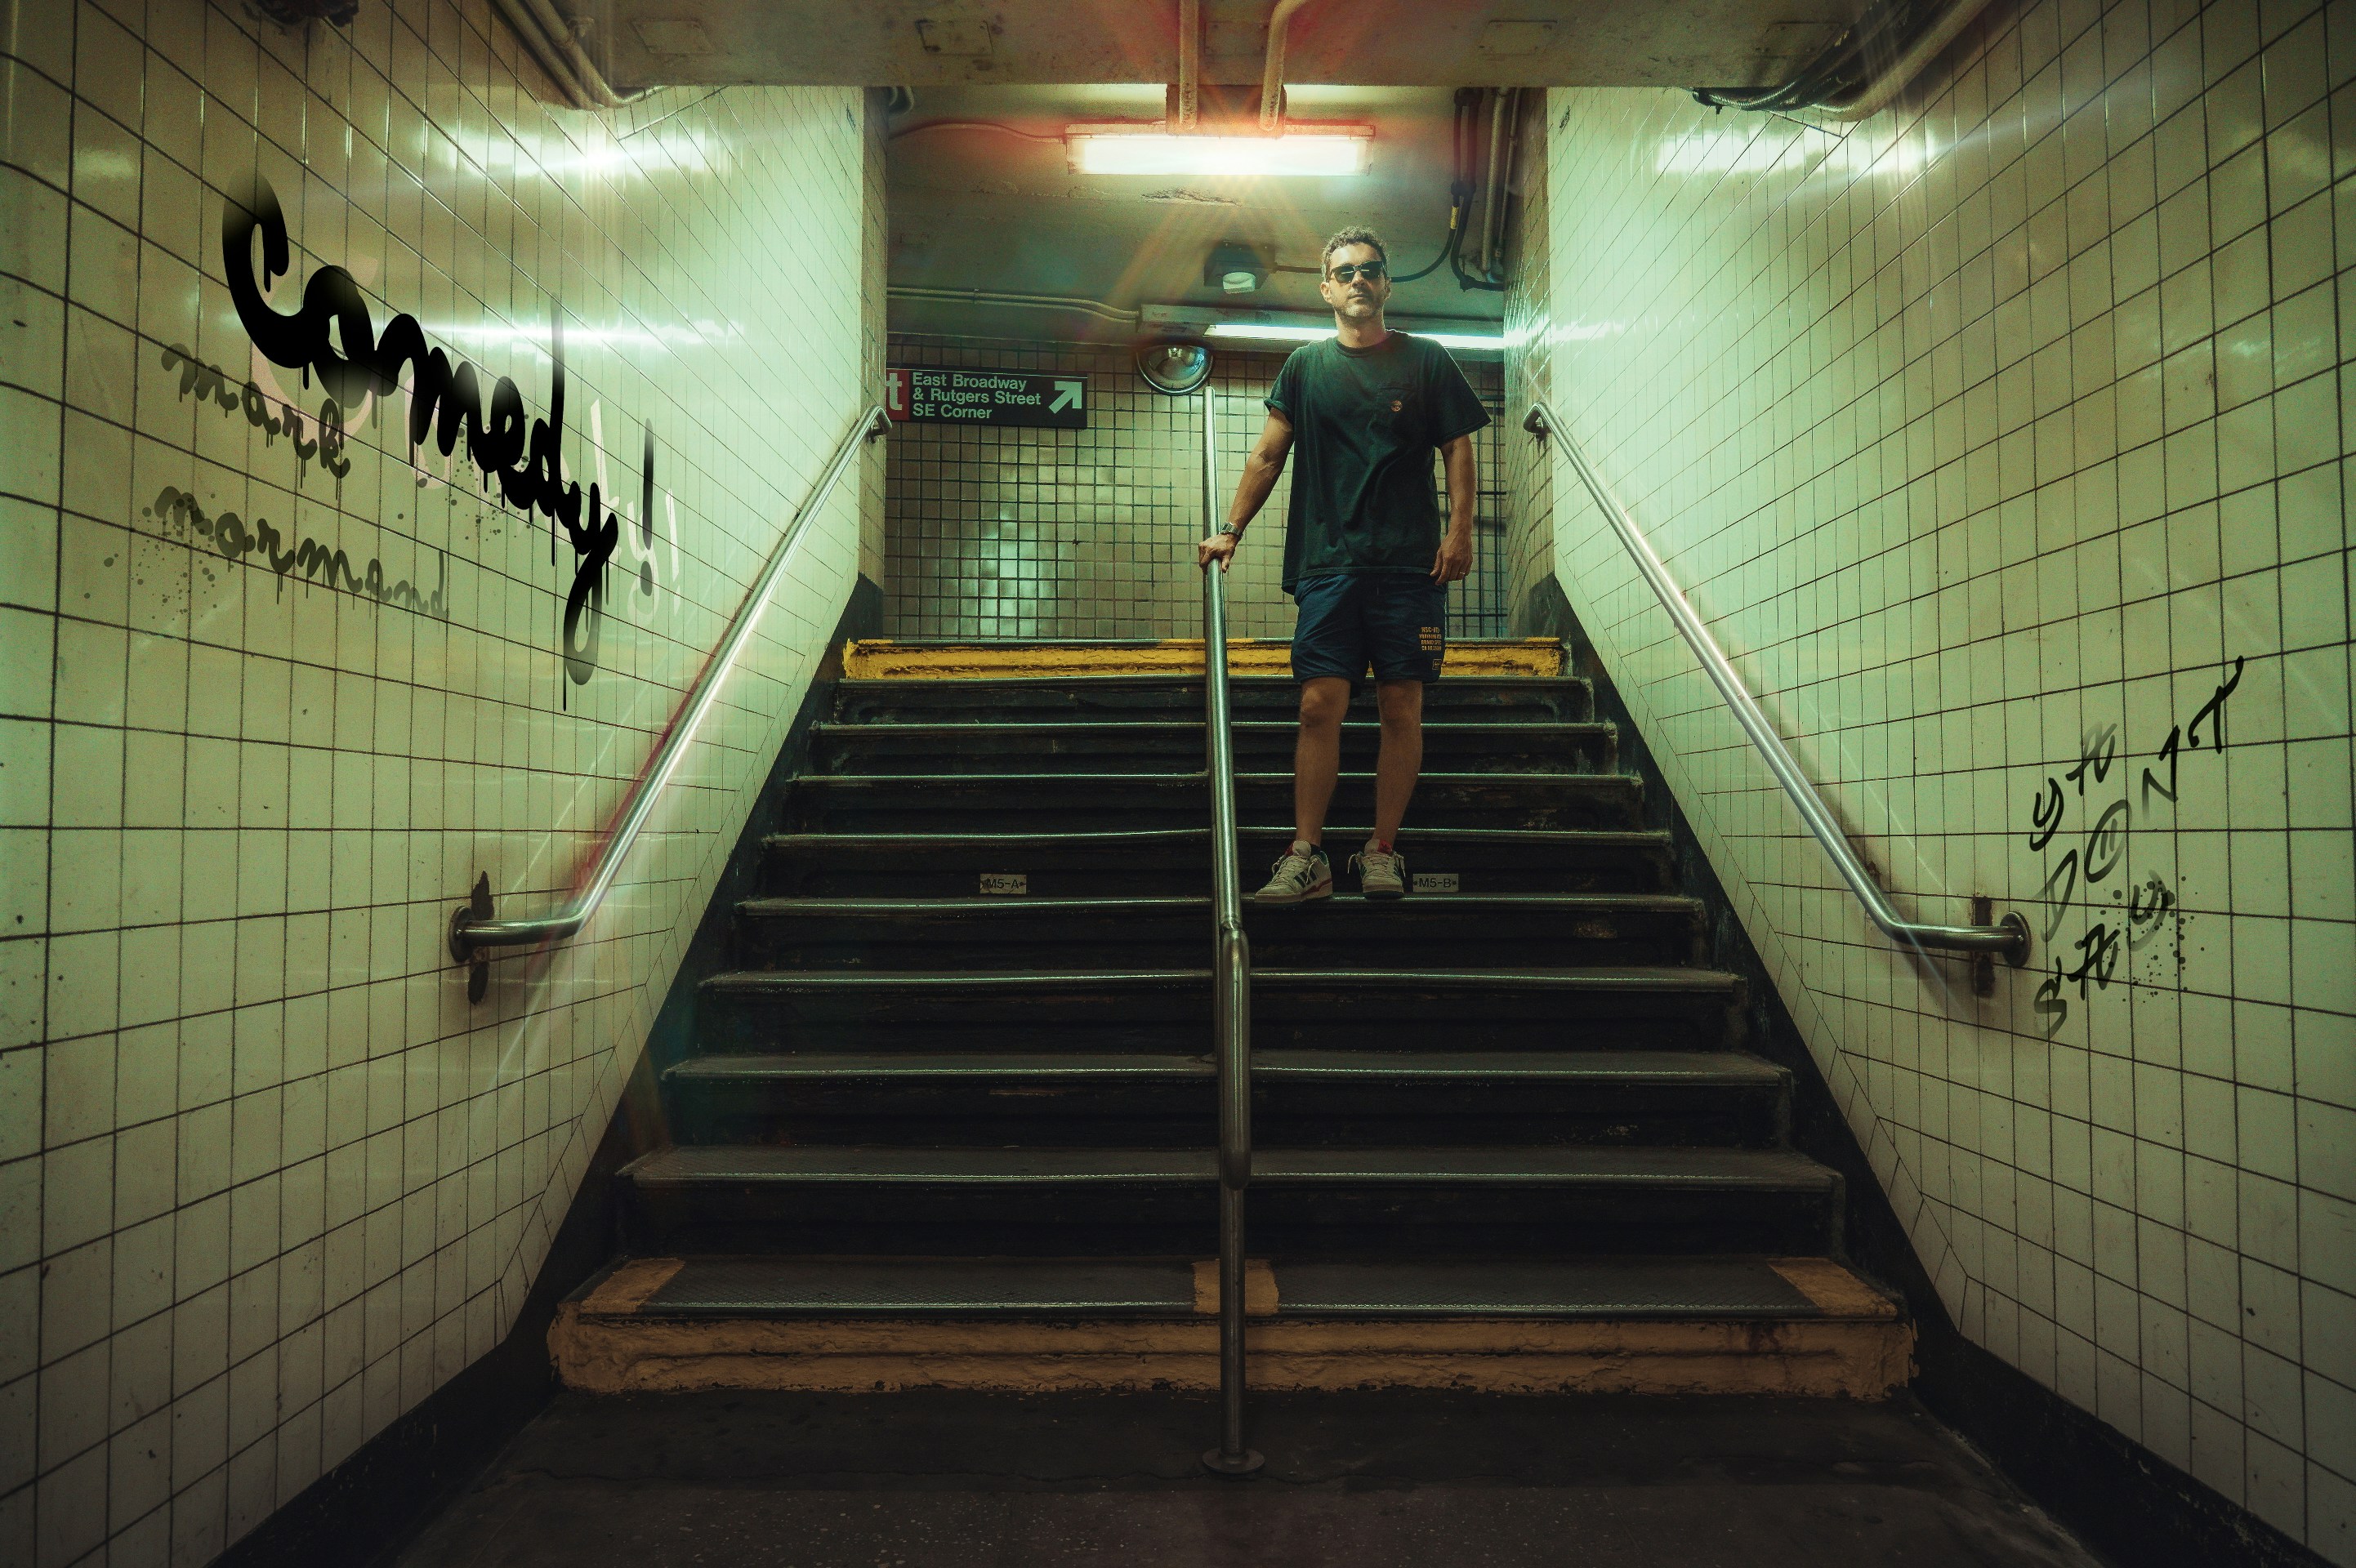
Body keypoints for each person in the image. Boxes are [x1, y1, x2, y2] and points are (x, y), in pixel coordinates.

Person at [1197, 225, 1490, 902]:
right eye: (1346, 272)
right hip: (1328, 564)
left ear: (1386, 284)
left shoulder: (1426, 360)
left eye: (1371, 270)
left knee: (1400, 706)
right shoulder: (1304, 367)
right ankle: (1309, 855)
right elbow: (1267, 455)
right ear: (1327, 288)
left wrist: (1461, 531)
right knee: (1316, 705)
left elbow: (1458, 449)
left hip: (1410, 567)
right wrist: (1229, 530)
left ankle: (1382, 851)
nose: (1359, 280)